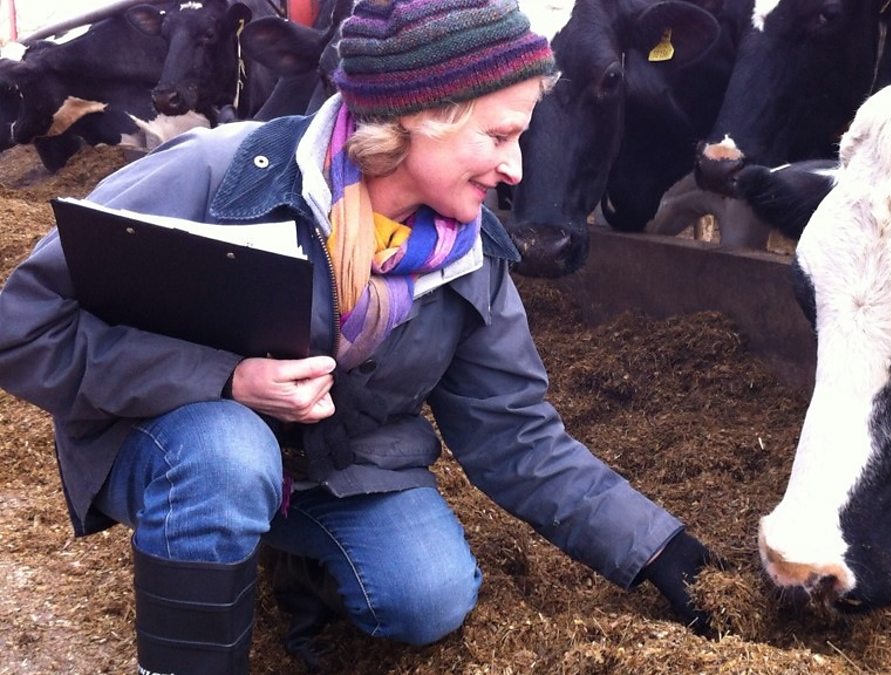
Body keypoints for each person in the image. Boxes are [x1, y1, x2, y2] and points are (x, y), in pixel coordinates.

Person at [0, 0, 719, 672]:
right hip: (167, 440)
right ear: (419, 117)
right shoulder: (223, 171)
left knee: (428, 592)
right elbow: (23, 327)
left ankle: (287, 548)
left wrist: (656, 547)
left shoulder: (470, 256)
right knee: (228, 453)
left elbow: (516, 433)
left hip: (333, 464)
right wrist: (223, 380)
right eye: (499, 136)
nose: (515, 168)